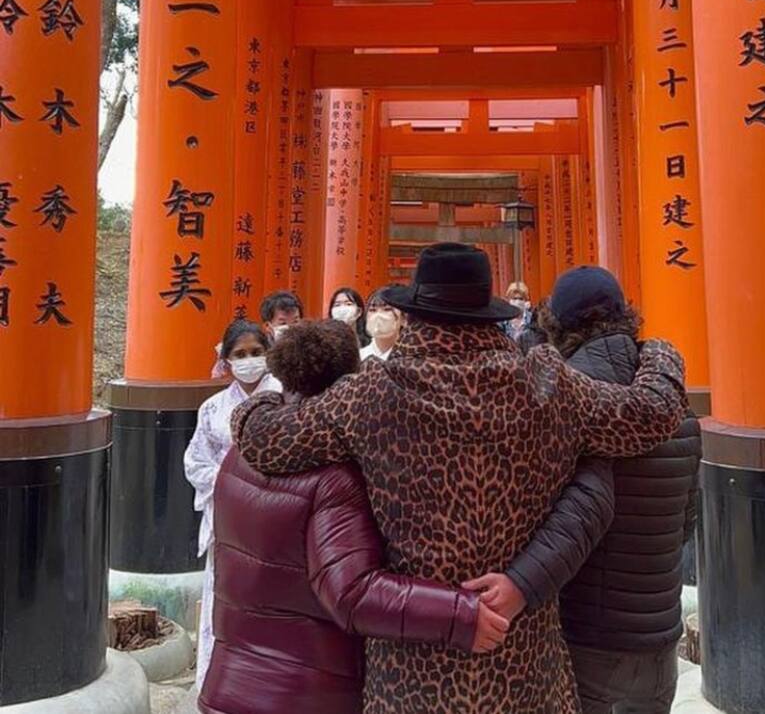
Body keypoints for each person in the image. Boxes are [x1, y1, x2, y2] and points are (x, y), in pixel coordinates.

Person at [232, 243, 688, 714]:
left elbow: (263, 441)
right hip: (523, 665)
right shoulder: (547, 383)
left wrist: (263, 397)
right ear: (487, 313)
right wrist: (659, 352)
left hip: (412, 671)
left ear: (414, 315)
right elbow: (652, 415)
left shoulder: (371, 393)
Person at [200, 319, 507, 714]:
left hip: (229, 681)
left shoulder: (242, 451)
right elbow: (352, 591)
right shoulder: (331, 477)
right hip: (305, 693)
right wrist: (460, 614)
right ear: (352, 385)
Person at [497, 266, 700, 714]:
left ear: (558, 325)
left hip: (585, 633)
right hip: (657, 635)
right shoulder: (678, 410)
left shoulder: (557, 402)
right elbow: (686, 523)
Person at [185, 320, 282, 690]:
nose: (249, 361)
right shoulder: (212, 408)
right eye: (240, 355)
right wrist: (232, 486)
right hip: (229, 516)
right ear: (225, 361)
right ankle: (221, 682)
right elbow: (195, 461)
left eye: (256, 353)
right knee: (225, 598)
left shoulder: (287, 398)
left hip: (277, 516)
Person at [209, 291, 304, 378]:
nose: (291, 328)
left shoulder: (310, 348)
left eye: (296, 322)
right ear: (268, 326)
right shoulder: (257, 347)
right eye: (283, 323)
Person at [501, 282, 547, 354]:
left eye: (521, 299)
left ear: (526, 300)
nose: (517, 302)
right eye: (514, 298)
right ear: (509, 300)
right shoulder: (503, 321)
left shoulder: (532, 319)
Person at [361, 287, 404, 361]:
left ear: (404, 319)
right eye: (372, 310)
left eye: (387, 309)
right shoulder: (359, 357)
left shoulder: (409, 358)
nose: (378, 315)